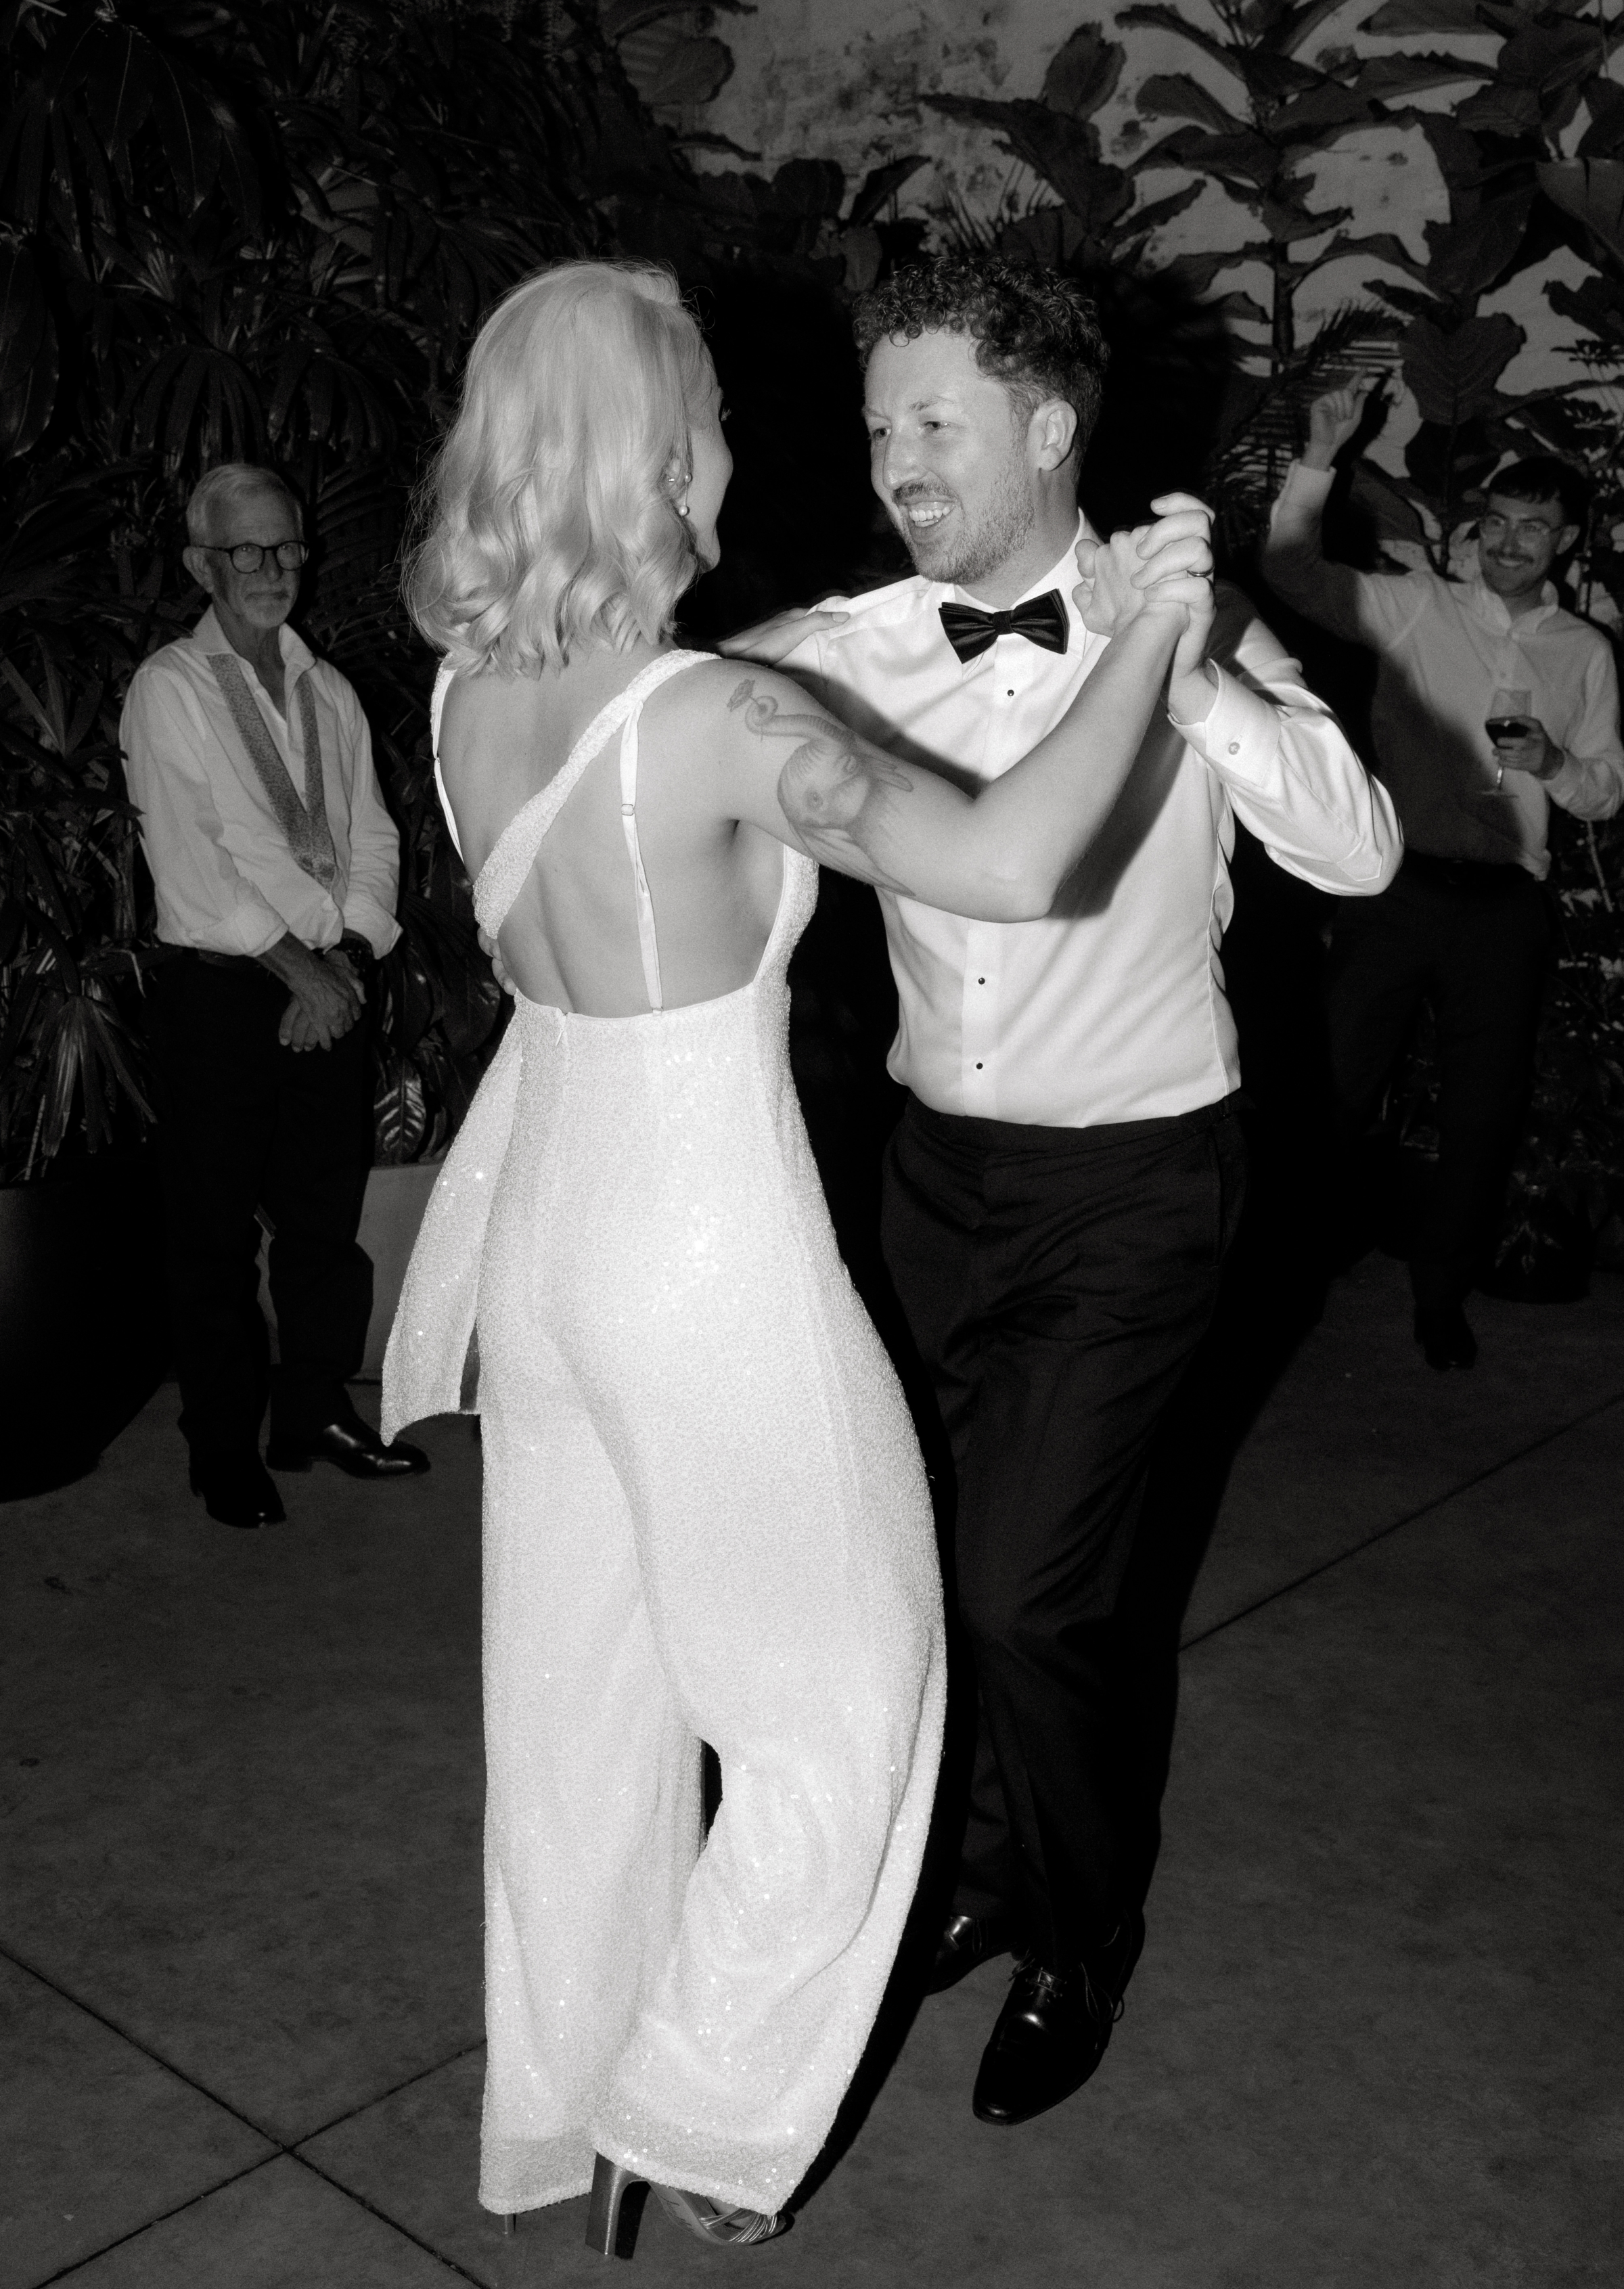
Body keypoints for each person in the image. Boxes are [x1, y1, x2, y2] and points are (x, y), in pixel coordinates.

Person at [380, 258, 1217, 2249]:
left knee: (587, 1706)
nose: (747, 447)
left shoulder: (465, 696)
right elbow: (1020, 856)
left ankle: (569, 2106)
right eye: (720, 416)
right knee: (859, 1702)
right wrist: (1153, 627)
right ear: (658, 452)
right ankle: (697, 2101)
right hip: (699, 1256)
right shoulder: (721, 717)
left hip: (547, 1252)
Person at [728, 256, 1402, 2131]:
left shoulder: (1184, 619)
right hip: (930, 1179)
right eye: (879, 429)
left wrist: (1195, 675)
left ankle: (1080, 1932)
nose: (896, 464)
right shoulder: (839, 650)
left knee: (1033, 1595)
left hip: (1138, 1188)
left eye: (934, 422)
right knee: (940, 1574)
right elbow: (655, 736)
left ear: (1049, 427)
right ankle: (1000, 1854)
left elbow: (1354, 851)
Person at [1263, 384, 1624, 1368]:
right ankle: (1283, 1276)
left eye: (1534, 530)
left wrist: (1554, 765)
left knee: (1482, 1109)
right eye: (1499, 524)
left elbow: (1603, 792)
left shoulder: (1583, 653)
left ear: (1564, 543)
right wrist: (1321, 456)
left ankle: (1439, 1296)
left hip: (1506, 907)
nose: (1511, 543)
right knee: (1335, 1090)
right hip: (1399, 887)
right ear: (1477, 532)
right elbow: (1292, 573)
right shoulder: (1418, 607)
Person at [121, 463, 430, 1531]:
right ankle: (221, 1447)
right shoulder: (170, 688)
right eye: (245, 552)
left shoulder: (324, 688)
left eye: (286, 548)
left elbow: (372, 833)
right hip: (222, 994)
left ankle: (312, 1416)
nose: (272, 571)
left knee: (323, 1224)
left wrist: (343, 955)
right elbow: (192, 864)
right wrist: (300, 969)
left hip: (326, 981)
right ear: (201, 565)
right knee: (208, 1234)